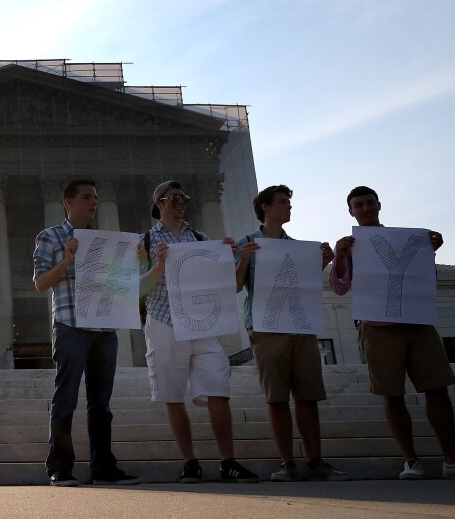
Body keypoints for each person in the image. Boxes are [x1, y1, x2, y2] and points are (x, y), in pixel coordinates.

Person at [329, 185, 455, 480]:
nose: (365, 209)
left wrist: (429, 250)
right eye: (358, 205)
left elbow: (423, 279)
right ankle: (410, 459)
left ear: (379, 205)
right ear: (351, 212)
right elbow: (339, 287)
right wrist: (340, 256)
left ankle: (451, 456)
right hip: (378, 329)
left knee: (437, 389)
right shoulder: (350, 246)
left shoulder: (406, 241)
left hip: (417, 324)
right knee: (392, 394)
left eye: (369, 203)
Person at [139, 180, 259, 483]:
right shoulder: (144, 242)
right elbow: (135, 290)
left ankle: (228, 461)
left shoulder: (201, 238)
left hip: (202, 325)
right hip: (164, 321)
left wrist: (239, 260)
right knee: (173, 395)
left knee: (219, 389)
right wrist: (158, 267)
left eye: (184, 198)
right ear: (160, 204)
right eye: (175, 198)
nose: (181, 202)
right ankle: (190, 461)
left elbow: (229, 288)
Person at [235, 185, 350, 482]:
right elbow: (234, 286)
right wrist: (244, 260)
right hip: (266, 328)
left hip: (300, 326)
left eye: (289, 202)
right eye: (283, 202)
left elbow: (306, 286)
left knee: (308, 396)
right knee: (276, 397)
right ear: (265, 207)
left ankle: (315, 460)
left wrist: (321, 262)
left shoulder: (297, 247)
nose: (289, 207)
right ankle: (286, 461)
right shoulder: (247, 243)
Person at [33, 179, 138, 487]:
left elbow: (121, 284)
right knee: (65, 398)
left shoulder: (107, 241)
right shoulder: (51, 237)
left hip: (105, 328)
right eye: (87, 197)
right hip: (70, 326)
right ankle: (60, 467)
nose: (94, 202)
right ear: (68, 201)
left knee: (101, 404)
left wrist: (136, 259)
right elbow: (40, 284)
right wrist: (67, 259)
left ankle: (104, 467)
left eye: (96, 197)